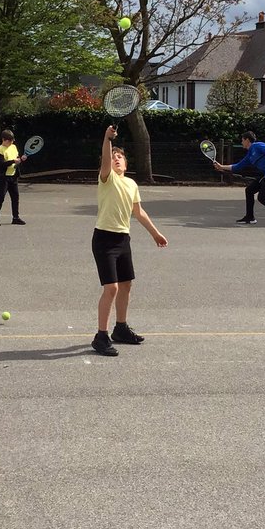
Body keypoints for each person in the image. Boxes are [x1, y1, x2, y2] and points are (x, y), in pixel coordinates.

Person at [91, 126, 167, 356]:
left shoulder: (132, 184)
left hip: (123, 238)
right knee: (111, 287)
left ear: (126, 163)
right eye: (113, 157)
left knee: (126, 285)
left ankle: (120, 329)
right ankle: (100, 336)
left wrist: (155, 233)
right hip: (104, 238)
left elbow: (139, 212)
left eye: (120, 157)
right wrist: (107, 139)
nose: (115, 159)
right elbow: (106, 157)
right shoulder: (107, 179)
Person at [213, 131, 265, 226]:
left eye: (242, 140)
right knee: (249, 190)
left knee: (262, 197)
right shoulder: (249, 155)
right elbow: (237, 166)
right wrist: (221, 167)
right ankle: (250, 217)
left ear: (247, 140)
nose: (241, 142)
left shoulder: (257, 145)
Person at [0, 129, 25, 226]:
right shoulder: (0, 150)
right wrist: (13, 161)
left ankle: (15, 217)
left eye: (12, 140)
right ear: (3, 139)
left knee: (15, 197)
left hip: (13, 176)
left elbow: (17, 158)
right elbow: (0, 164)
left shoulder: (14, 147)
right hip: (4, 177)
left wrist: (21, 159)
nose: (11, 142)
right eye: (9, 140)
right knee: (1, 197)